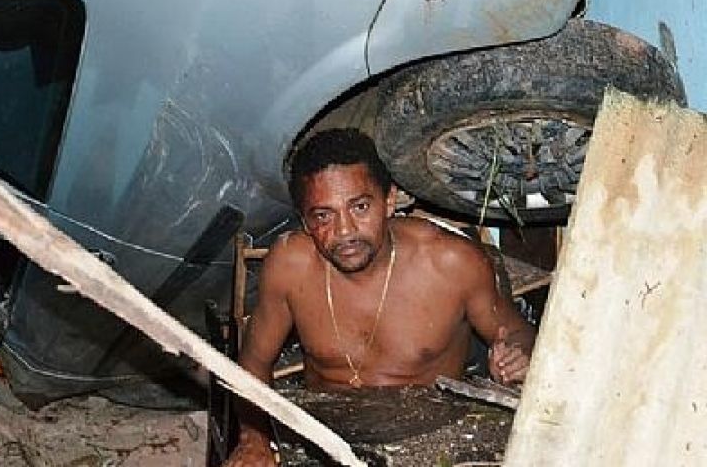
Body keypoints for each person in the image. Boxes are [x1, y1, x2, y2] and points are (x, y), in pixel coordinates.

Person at [225, 128, 535, 466]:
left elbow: (518, 333)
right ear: (306, 222)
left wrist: (517, 357)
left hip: (430, 433)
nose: (344, 231)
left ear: (389, 201)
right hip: (324, 431)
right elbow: (254, 361)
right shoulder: (290, 265)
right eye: (323, 216)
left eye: (359, 207)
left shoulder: (451, 264)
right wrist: (255, 438)